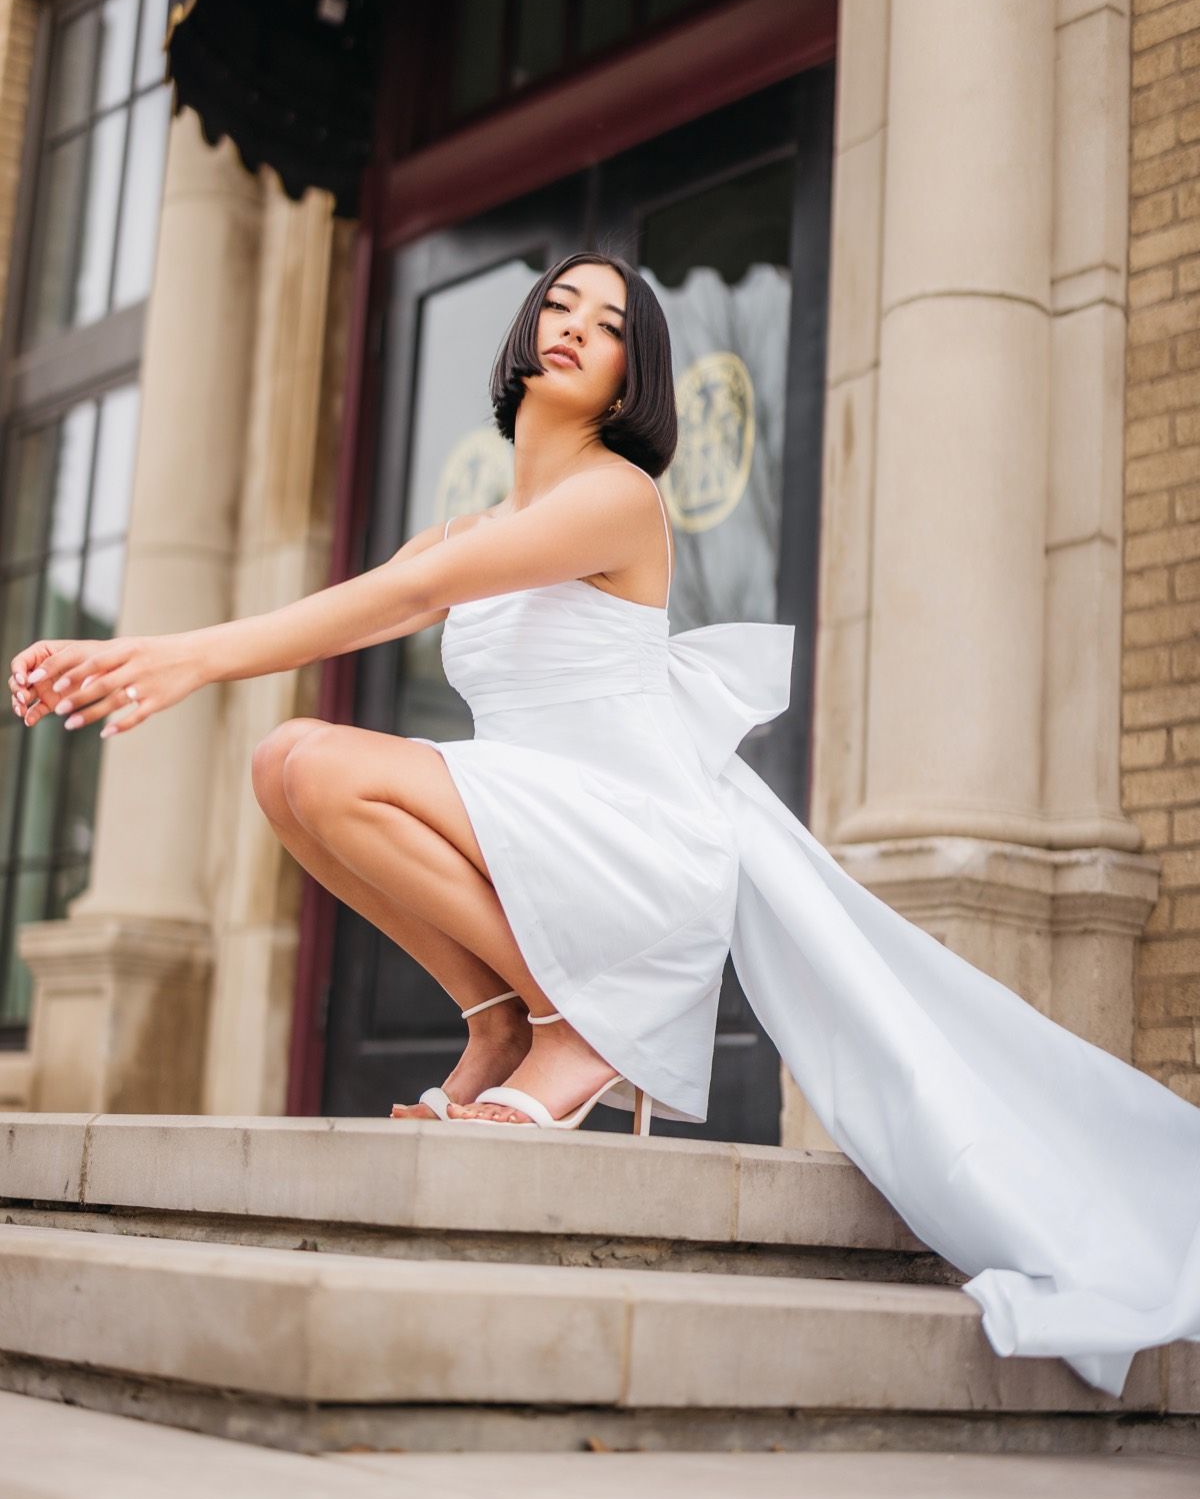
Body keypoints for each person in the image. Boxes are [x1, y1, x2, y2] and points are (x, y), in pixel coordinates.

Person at [8, 250, 1200, 1402]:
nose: (576, 322)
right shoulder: (468, 526)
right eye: (560, 302)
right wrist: (148, 649)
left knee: (305, 759)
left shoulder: (617, 497)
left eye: (612, 321)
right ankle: (506, 1024)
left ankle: (581, 1025)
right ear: (525, 335)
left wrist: (177, 660)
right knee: (291, 780)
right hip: (546, 823)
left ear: (634, 380)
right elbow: (377, 595)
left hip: (634, 841)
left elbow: (416, 600)